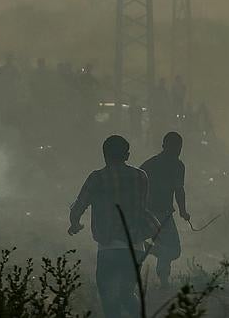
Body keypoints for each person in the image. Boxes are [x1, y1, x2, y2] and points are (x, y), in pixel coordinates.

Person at [68, 134, 158, 318]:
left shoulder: (97, 178)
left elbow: (79, 206)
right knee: (127, 294)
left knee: (108, 296)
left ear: (105, 155)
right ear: (127, 155)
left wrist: (75, 223)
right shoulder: (141, 177)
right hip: (135, 248)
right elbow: (142, 207)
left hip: (109, 247)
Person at [140, 132, 190, 289]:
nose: (177, 151)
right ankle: (149, 253)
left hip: (148, 212)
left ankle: (162, 279)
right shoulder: (177, 166)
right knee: (173, 250)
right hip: (161, 214)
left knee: (167, 248)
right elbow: (179, 190)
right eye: (175, 148)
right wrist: (183, 211)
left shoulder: (149, 164)